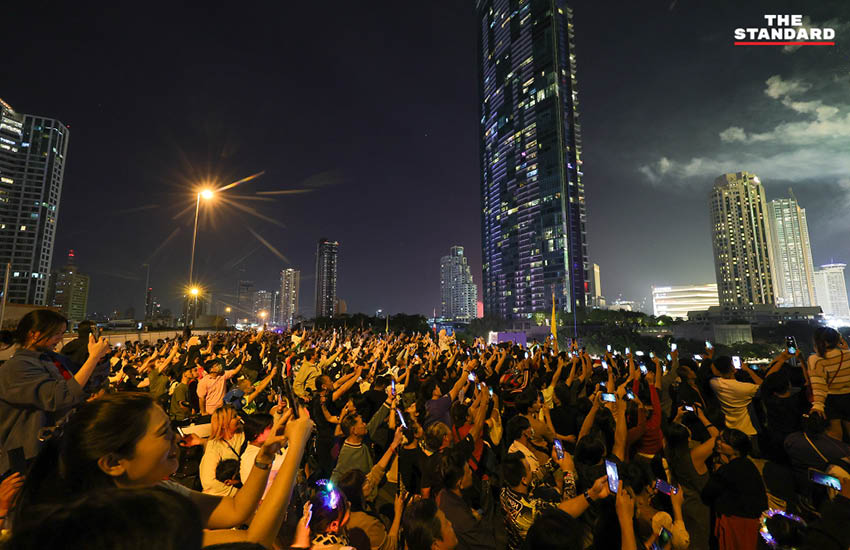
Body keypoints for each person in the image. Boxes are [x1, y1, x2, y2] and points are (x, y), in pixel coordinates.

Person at [12, 391, 314, 548]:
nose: (176, 439)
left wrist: (265, 454)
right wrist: (296, 448)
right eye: (163, 434)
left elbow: (236, 510)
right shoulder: (124, 526)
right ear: (115, 462)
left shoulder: (159, 490)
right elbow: (254, 543)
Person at [0, 309, 111, 474]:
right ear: (34, 334)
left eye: (62, 333)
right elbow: (60, 397)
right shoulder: (16, 367)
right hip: (28, 454)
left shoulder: (54, 359)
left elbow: (86, 384)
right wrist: (92, 358)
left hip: (58, 448)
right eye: (56, 334)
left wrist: (99, 360)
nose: (60, 339)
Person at [701, 428, 767, 550]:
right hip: (752, 524)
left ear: (736, 450)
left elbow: (707, 494)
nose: (719, 443)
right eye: (720, 439)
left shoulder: (727, 470)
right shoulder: (749, 465)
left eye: (724, 442)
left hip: (735, 526)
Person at [808, 327, 850, 438]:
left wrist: (818, 405)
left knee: (835, 435)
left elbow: (818, 385)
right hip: (848, 396)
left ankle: (840, 455)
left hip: (832, 399)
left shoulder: (816, 359)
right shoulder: (847, 354)